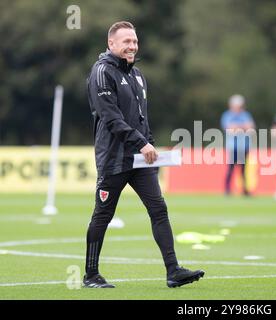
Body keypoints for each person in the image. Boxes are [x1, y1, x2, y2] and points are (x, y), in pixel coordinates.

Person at [84, 21, 204, 288]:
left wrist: (152, 148)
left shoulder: (137, 75)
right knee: (103, 215)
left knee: (159, 209)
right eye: (126, 41)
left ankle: (173, 271)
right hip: (114, 159)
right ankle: (91, 275)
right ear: (111, 44)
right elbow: (111, 118)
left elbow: (141, 119)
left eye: (135, 41)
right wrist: (141, 143)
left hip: (140, 160)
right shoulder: (102, 72)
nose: (132, 46)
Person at [220, 94, 255, 196]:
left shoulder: (245, 115)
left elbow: (251, 127)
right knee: (230, 169)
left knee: (243, 170)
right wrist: (243, 127)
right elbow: (229, 128)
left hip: (244, 146)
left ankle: (245, 189)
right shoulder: (227, 115)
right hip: (232, 147)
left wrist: (238, 127)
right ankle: (227, 189)